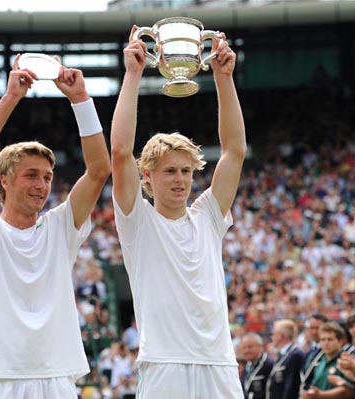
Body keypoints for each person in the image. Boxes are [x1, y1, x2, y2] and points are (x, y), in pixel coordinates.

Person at [0, 55, 111, 398]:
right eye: (31, 175)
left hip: (57, 379)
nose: (42, 185)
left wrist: (81, 100)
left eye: (47, 177)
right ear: (5, 180)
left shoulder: (61, 227)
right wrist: (11, 97)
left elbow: (100, 169)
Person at [110, 26, 246, 398]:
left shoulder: (208, 215)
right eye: (170, 170)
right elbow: (121, 153)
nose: (180, 179)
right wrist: (133, 74)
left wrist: (224, 79)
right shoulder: (137, 220)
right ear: (148, 178)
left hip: (219, 362)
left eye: (186, 171)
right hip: (164, 366)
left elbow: (234, 151)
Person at [266, 319, 304, 399]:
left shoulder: (294, 355)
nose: (272, 337)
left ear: (280, 336)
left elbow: (291, 386)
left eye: (273, 334)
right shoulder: (283, 354)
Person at [240, 333, 272, 399]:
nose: (246, 350)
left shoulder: (269, 365)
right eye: (244, 347)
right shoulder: (247, 366)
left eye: (250, 347)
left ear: (260, 347)